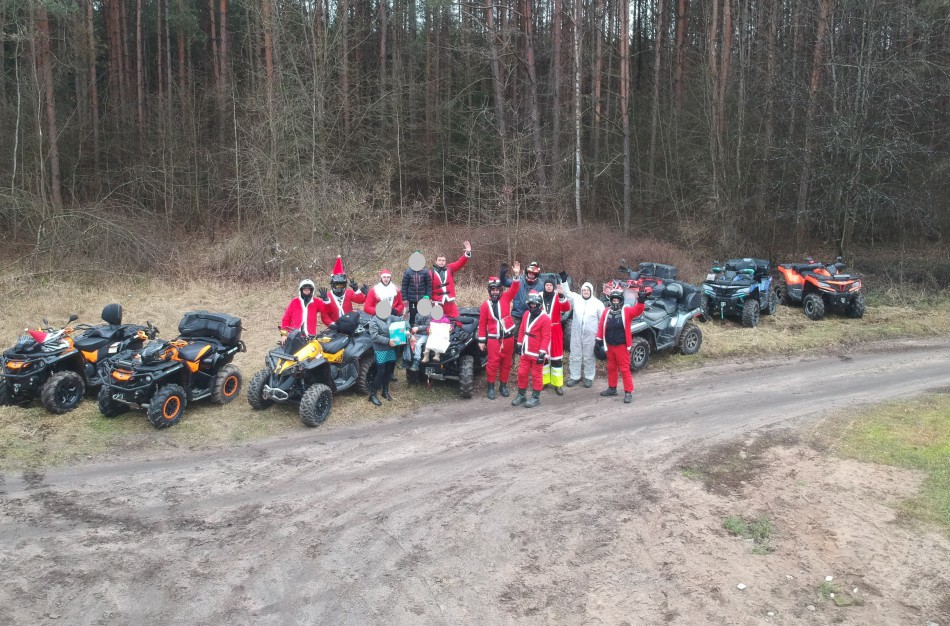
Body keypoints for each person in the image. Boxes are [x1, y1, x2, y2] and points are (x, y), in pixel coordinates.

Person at [477, 261, 521, 399]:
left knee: (506, 363)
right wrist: (481, 341)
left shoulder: (506, 298)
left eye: (497, 289)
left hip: (508, 338)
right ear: (489, 291)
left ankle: (503, 385)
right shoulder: (485, 305)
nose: (495, 292)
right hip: (493, 339)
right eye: (493, 290)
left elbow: (515, 288)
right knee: (492, 364)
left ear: (500, 290)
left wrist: (516, 274)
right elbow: (482, 323)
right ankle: (491, 387)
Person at [595, 288, 648, 403]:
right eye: (613, 300)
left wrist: (641, 300)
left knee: (624, 369)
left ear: (621, 301)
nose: (615, 302)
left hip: (622, 346)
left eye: (617, 300)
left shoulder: (626, 311)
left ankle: (628, 392)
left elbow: (637, 311)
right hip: (609, 346)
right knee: (611, 368)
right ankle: (612, 388)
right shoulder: (606, 311)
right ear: (610, 300)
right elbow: (601, 326)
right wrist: (598, 340)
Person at [512, 291, 551, 409]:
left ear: (539, 304)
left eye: (535, 304)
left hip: (537, 352)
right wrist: (519, 344)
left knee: (536, 375)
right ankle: (521, 395)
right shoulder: (526, 314)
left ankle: (535, 397)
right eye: (531, 304)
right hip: (526, 350)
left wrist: (542, 353)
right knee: (522, 373)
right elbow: (522, 329)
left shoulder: (545, 318)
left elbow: (546, 337)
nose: (533, 306)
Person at [563, 281, 605, 388]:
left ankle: (589, 377)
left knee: (589, 357)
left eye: (587, 290)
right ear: (581, 291)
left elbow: (603, 321)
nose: (585, 292)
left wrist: (601, 337)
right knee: (574, 356)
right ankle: (575, 376)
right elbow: (567, 293)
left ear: (591, 291)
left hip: (591, 336)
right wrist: (564, 281)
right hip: (576, 334)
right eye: (584, 290)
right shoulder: (577, 300)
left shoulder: (597, 304)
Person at [539, 277, 571, 394]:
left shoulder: (558, 297)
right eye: (547, 285)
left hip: (555, 330)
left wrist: (562, 295)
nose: (548, 287)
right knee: (543, 358)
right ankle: (545, 381)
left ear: (553, 287)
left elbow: (567, 308)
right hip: (542, 331)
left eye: (550, 285)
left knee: (557, 358)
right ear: (544, 286)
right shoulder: (539, 296)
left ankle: (557, 384)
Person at [368, 308, 403, 406]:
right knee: (380, 372)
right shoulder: (374, 321)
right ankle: (372, 395)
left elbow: (399, 319)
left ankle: (385, 392)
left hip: (390, 348)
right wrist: (388, 341)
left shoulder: (389, 317)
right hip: (380, 349)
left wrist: (403, 317)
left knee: (389, 370)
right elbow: (374, 336)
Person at [501, 260, 544, 336]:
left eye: (533, 274)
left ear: (536, 274)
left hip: (532, 315)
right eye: (530, 273)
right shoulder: (519, 280)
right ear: (527, 272)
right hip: (517, 314)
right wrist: (503, 273)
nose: (531, 275)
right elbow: (504, 282)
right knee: (511, 334)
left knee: (529, 336)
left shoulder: (541, 285)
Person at [431, 240, 472, 319]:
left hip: (449, 301)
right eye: (439, 260)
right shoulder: (430, 273)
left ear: (445, 261)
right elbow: (428, 288)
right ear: (436, 261)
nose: (441, 262)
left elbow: (460, 262)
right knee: (437, 322)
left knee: (457, 320)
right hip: (437, 302)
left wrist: (467, 253)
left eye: (443, 260)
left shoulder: (450, 268)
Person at [324, 256, 367, 323]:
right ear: (333, 284)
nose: (339, 287)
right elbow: (325, 315)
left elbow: (361, 301)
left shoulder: (348, 293)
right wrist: (331, 325)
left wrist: (356, 290)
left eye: (342, 285)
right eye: (337, 285)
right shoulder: (327, 296)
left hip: (349, 323)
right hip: (335, 325)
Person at [401, 254, 432, 326]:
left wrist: (428, 296)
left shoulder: (425, 272)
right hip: (412, 299)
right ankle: (412, 327)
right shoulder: (408, 272)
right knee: (413, 314)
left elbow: (429, 285)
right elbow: (404, 286)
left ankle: (423, 328)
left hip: (423, 298)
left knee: (423, 314)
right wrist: (404, 298)